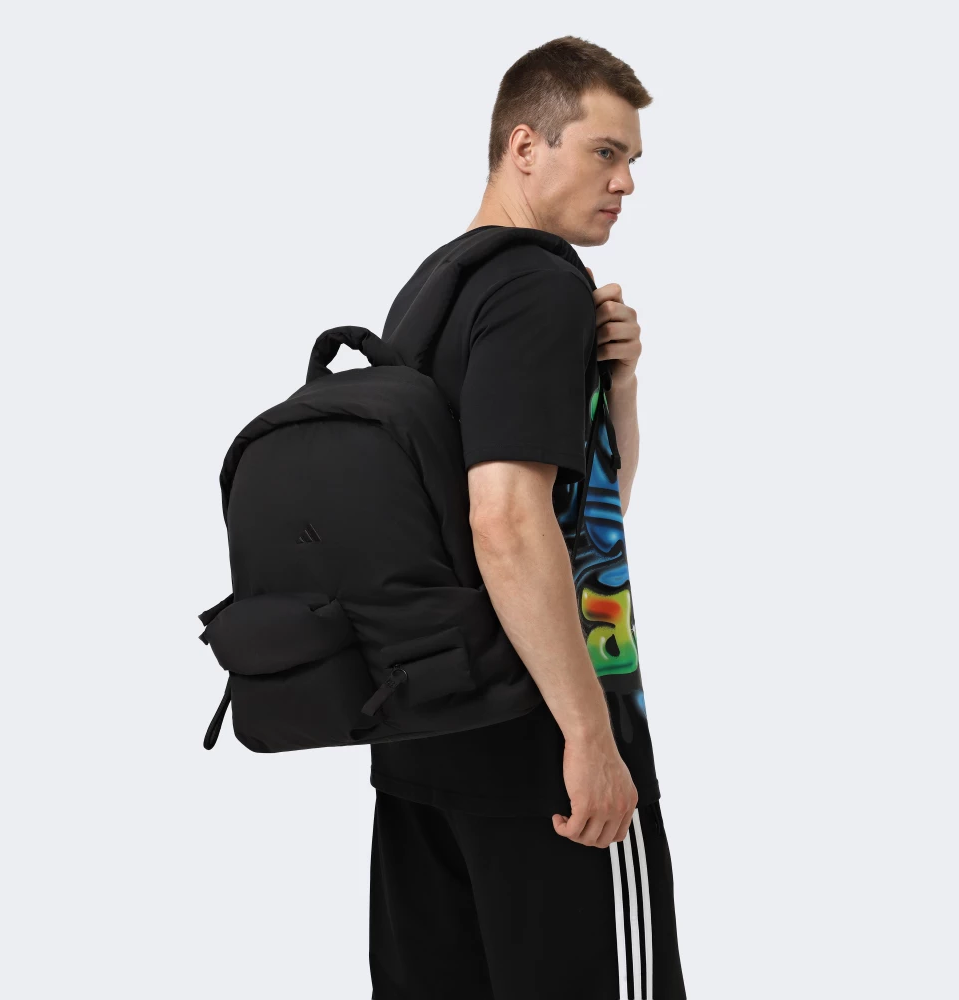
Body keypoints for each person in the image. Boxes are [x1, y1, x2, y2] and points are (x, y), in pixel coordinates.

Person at [369, 35, 686, 1000]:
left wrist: (617, 390)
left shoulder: (432, 291)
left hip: (423, 737)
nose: (626, 182)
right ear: (524, 147)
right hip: (542, 751)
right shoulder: (541, 283)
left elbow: (580, 516)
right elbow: (506, 521)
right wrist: (590, 739)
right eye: (605, 151)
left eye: (633, 159)